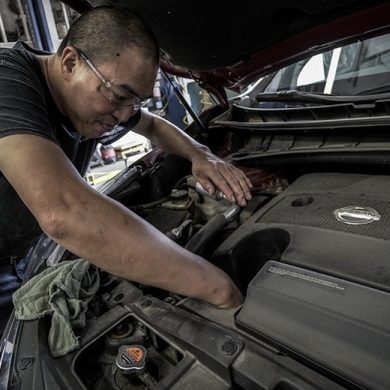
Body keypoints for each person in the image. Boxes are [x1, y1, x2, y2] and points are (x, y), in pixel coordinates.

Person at [0, 6, 252, 332]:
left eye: (135, 101)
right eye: (120, 96)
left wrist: (200, 154)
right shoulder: (8, 82)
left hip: (27, 256)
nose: (123, 115)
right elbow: (63, 212)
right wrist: (217, 288)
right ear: (70, 63)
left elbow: (152, 126)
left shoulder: (91, 99)